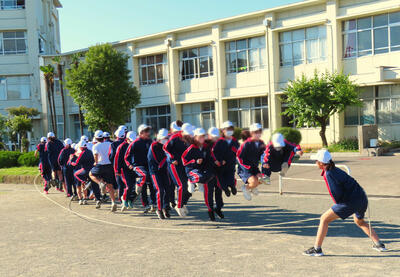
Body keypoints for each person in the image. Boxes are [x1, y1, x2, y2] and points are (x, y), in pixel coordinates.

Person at [303, 149, 388, 256]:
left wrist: (338, 206)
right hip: (362, 197)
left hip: (350, 202)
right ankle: (379, 244)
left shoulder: (329, 173)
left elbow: (335, 193)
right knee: (359, 221)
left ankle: (317, 249)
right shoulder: (335, 169)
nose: (315, 162)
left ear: (321, 163)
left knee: (324, 219)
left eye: (316, 160)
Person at [182, 128, 223, 221]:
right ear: (195, 137)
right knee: (207, 189)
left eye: (203, 137)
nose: (202, 139)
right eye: (200, 137)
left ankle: (216, 208)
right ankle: (210, 210)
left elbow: (210, 157)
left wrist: (216, 162)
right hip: (192, 170)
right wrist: (195, 161)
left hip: (205, 171)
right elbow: (184, 160)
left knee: (212, 181)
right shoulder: (191, 147)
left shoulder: (206, 146)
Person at [124, 124, 156, 213]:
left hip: (149, 166)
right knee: (144, 183)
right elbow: (126, 156)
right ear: (141, 133)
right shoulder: (135, 143)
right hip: (138, 166)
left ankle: (153, 204)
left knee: (152, 185)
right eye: (146, 131)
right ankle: (145, 204)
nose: (148, 133)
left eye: (148, 131)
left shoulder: (151, 141)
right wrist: (130, 165)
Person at [164, 122, 191, 217]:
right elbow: (165, 148)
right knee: (181, 185)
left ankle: (182, 203)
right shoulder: (174, 138)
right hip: (174, 165)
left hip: (185, 165)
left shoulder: (190, 138)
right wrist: (172, 159)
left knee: (189, 187)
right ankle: (178, 206)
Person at [89, 130, 117, 211]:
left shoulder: (95, 146)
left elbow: (96, 156)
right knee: (110, 185)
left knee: (91, 174)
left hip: (100, 165)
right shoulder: (109, 144)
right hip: (109, 166)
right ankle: (113, 202)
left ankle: (100, 183)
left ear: (96, 138)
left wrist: (95, 162)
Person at [148, 128, 173, 219]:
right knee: (160, 190)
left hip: (164, 171)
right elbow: (158, 161)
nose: (166, 139)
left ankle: (165, 207)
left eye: (167, 138)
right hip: (155, 171)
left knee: (168, 189)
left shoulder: (166, 145)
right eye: (165, 138)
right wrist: (167, 158)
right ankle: (159, 208)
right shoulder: (154, 146)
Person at [236, 123, 265, 201]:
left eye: (260, 131)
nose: (258, 134)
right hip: (245, 169)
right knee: (254, 181)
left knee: (265, 179)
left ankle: (252, 187)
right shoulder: (246, 144)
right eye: (256, 132)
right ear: (251, 133)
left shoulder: (261, 143)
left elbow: (264, 154)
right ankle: (246, 188)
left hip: (254, 167)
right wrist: (246, 167)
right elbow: (238, 157)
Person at [210, 122, 239, 196]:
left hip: (231, 164)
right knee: (221, 182)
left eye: (231, 129)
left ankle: (232, 187)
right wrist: (219, 161)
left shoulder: (235, 141)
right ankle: (226, 189)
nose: (229, 131)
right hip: (221, 166)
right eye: (227, 129)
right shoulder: (219, 141)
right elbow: (213, 153)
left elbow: (239, 152)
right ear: (223, 130)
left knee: (231, 179)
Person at [116, 131, 138, 212]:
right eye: (130, 141)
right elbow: (117, 159)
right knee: (128, 185)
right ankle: (124, 199)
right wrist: (117, 170)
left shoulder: (136, 145)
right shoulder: (122, 147)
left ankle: (129, 200)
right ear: (127, 139)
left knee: (133, 187)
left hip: (134, 169)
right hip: (124, 170)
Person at [71, 140, 94, 205]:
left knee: (79, 185)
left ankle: (81, 199)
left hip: (82, 170)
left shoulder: (81, 153)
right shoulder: (89, 151)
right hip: (88, 169)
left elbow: (76, 163)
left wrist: (71, 162)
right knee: (82, 186)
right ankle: (84, 198)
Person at [109, 128, 127, 200]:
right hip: (126, 164)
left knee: (119, 182)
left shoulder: (113, 144)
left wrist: (112, 162)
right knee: (126, 181)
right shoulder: (126, 143)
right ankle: (126, 196)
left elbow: (112, 155)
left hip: (117, 164)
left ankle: (120, 198)